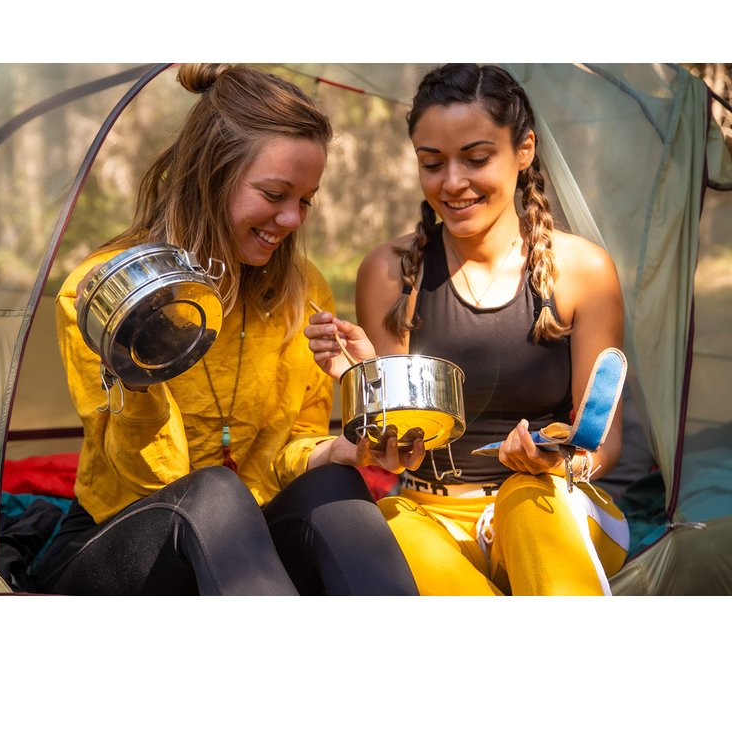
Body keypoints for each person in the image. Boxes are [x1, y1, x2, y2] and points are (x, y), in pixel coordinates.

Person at [35, 63, 423, 596]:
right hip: (126, 540)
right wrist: (138, 366)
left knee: (336, 484)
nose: (293, 220)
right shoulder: (105, 289)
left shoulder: (301, 292)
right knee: (216, 493)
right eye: (274, 194)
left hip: (247, 549)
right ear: (211, 176)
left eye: (305, 200)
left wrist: (339, 444)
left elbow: (287, 453)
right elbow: (151, 479)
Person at [306, 63, 630, 596]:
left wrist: (557, 460)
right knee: (391, 528)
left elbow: (604, 443)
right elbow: (396, 449)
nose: (453, 183)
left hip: (553, 501)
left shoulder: (583, 271)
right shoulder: (390, 274)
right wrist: (367, 382)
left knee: (527, 506)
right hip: (431, 509)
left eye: (477, 159)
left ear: (524, 150)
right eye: (432, 163)